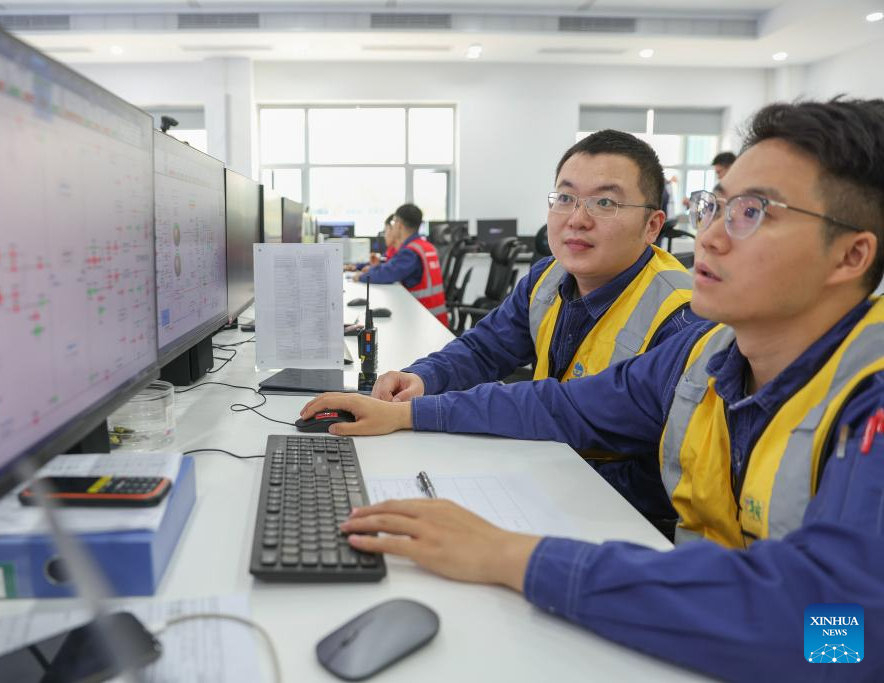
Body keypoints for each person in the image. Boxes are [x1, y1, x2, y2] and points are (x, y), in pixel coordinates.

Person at [303, 98, 884, 681]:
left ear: (851, 254)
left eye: (752, 213)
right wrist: (409, 413)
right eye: (714, 207)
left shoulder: (869, 398)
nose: (708, 237)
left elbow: (846, 641)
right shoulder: (705, 354)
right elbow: (561, 407)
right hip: (681, 619)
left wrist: (513, 556)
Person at [371, 130, 703, 524]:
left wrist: (532, 475)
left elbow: (657, 476)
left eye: (605, 202)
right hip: (551, 475)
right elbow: (483, 349)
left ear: (652, 225)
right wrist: (422, 379)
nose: (577, 219)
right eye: (565, 198)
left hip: (622, 517)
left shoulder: (683, 316)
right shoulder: (547, 276)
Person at [353, 204, 448, 326]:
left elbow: (387, 273)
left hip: (423, 320)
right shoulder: (427, 247)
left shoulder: (410, 252)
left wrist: (360, 277)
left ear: (399, 224)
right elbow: (390, 266)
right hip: (436, 317)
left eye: (394, 222)